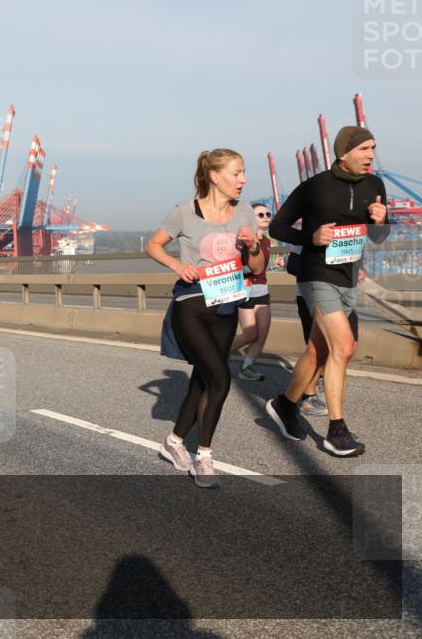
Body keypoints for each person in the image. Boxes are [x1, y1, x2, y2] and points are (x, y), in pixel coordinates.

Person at [146, 149, 265, 489]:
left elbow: (256, 268)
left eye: (244, 173)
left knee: (203, 379)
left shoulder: (245, 212)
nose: (243, 180)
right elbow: (154, 245)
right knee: (221, 378)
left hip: (226, 307)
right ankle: (204, 456)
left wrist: (252, 246)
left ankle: (173, 441)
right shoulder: (184, 212)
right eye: (236, 173)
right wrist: (176, 265)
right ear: (215, 176)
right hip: (192, 305)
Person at [266, 126, 388, 457]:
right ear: (343, 153)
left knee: (319, 352)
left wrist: (381, 220)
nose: (371, 156)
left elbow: (377, 239)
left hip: (348, 277)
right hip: (316, 275)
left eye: (373, 148)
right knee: (344, 347)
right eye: (364, 149)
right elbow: (276, 226)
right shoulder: (315, 187)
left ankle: (285, 405)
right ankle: (336, 431)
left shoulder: (375, 186)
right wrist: (311, 238)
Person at [232, 203, 274, 380]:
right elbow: (234, 265)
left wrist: (272, 265)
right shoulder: (242, 241)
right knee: (250, 333)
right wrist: (249, 269)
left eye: (268, 213)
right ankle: (217, 355)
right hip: (246, 290)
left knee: (262, 335)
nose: (265, 217)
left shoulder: (267, 241)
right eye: (260, 214)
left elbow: (262, 265)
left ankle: (246, 368)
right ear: (251, 218)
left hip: (262, 289)